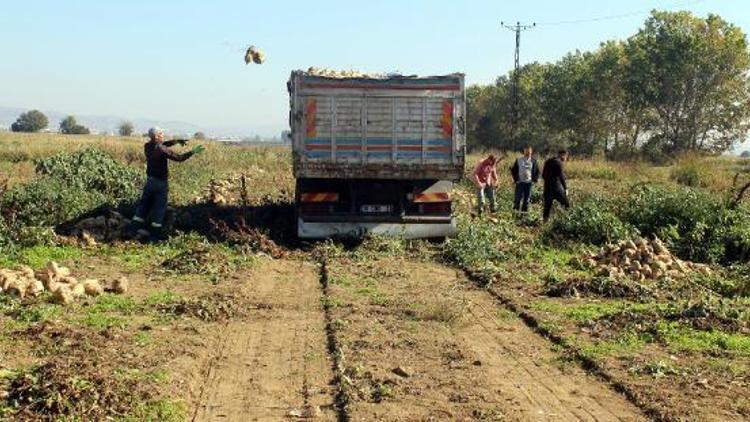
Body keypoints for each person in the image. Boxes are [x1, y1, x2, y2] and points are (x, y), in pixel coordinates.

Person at [128, 127, 204, 241]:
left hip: (149, 182)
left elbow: (163, 144)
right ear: (157, 136)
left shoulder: (147, 146)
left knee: (144, 205)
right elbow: (179, 158)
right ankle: (154, 236)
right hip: (160, 184)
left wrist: (176, 141)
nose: (163, 135)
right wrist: (193, 152)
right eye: (161, 134)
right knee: (160, 208)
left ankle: (133, 229)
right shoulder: (162, 150)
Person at [542, 149, 570, 222]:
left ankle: (545, 222)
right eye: (566, 156)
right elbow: (561, 177)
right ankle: (565, 221)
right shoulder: (559, 163)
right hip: (556, 188)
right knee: (566, 204)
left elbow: (543, 175)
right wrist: (565, 188)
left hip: (547, 188)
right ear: (563, 155)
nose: (566, 158)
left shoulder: (548, 161)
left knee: (547, 207)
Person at [510, 145, 540, 213]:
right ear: (524, 152)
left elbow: (537, 171)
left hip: (528, 183)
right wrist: (515, 179)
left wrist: (535, 179)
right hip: (520, 182)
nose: (528, 153)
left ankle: (524, 215)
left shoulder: (534, 161)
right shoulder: (519, 160)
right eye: (526, 152)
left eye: (529, 152)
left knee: (526, 200)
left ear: (531, 152)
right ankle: (515, 214)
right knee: (517, 199)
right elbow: (513, 171)